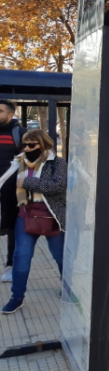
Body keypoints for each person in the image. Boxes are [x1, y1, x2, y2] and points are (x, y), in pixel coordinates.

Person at [0, 129, 66, 314]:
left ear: (43, 144)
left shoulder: (57, 164)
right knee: (21, 257)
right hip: (26, 214)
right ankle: (17, 297)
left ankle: (68, 289)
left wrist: (27, 183)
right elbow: (4, 180)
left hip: (51, 216)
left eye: (32, 144)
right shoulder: (20, 161)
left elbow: (58, 186)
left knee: (61, 256)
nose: (27, 148)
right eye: (25, 144)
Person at [0, 100, 27, 283]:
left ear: (10, 114)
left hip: (11, 190)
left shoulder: (21, 133)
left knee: (11, 229)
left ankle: (10, 264)